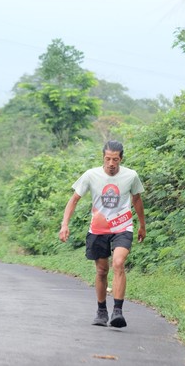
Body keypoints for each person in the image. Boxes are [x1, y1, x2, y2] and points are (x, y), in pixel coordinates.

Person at [59, 140, 146, 328]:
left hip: (122, 226)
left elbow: (137, 199)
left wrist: (142, 225)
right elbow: (74, 200)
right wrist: (64, 224)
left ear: (121, 159)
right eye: (108, 159)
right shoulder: (91, 175)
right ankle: (101, 311)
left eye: (115, 159)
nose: (111, 163)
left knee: (118, 263)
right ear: (103, 158)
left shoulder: (131, 176)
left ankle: (118, 311)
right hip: (99, 229)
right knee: (101, 271)